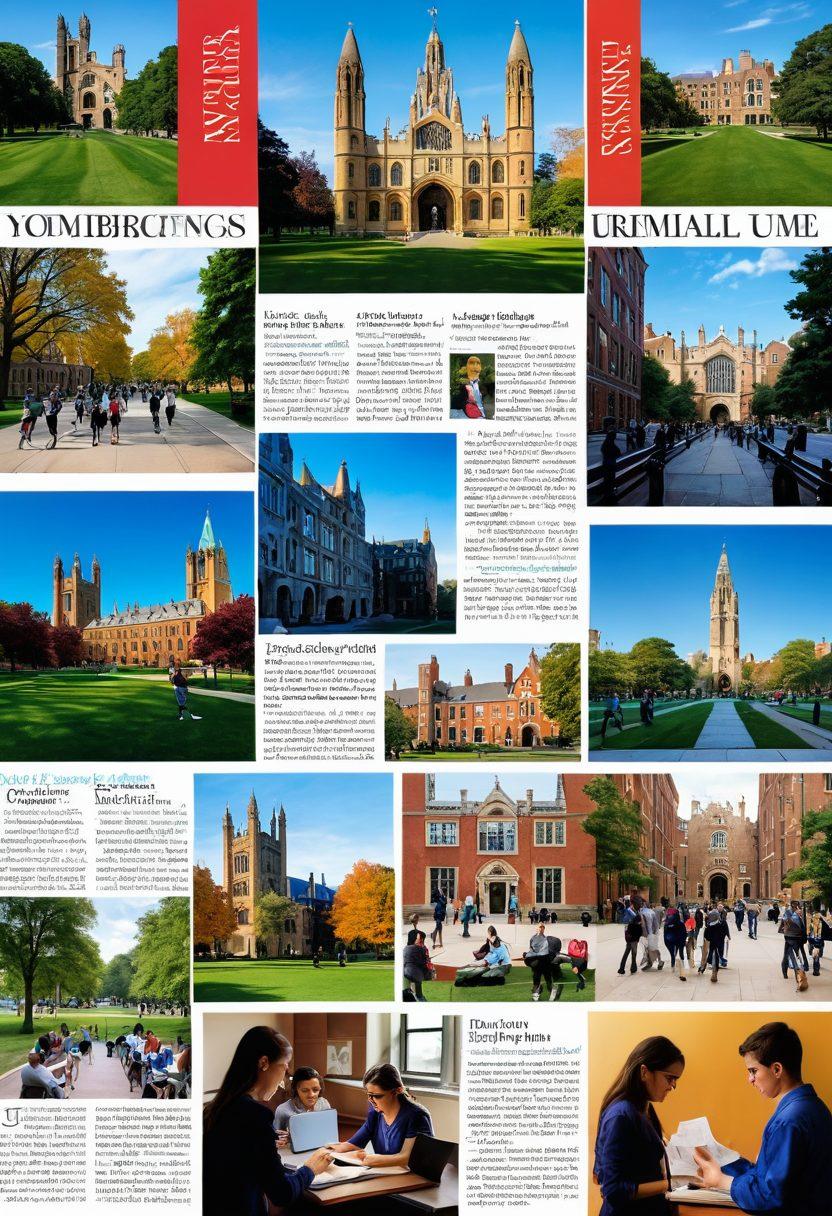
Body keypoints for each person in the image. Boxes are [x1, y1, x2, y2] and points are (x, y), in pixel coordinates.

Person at [693, 1022, 832, 1214]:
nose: (750, 1079)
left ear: (776, 1069)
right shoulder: (815, 1108)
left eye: (753, 1071)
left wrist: (720, 1180)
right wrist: (726, 1162)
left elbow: (770, 1197)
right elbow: (770, 1176)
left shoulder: (788, 1121)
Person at [203, 1027, 332, 1215]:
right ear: (264, 1063)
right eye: (284, 1066)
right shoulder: (255, 1115)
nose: (284, 1077)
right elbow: (282, 1193)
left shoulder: (214, 1109)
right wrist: (310, 1169)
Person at [593, 1036, 685, 1215]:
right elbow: (612, 1190)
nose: (673, 1086)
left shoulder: (645, 1108)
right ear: (644, 1072)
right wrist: (673, 1183)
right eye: (669, 1078)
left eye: (676, 1080)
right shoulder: (620, 1116)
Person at [328, 1063, 433, 1168]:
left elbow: (406, 1158)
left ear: (398, 1090)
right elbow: (353, 1144)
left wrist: (371, 1159)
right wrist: (327, 1151)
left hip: (415, 1177)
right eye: (369, 1095)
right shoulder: (375, 1114)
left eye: (377, 1096)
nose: (371, 1101)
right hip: (387, 1173)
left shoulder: (416, 1115)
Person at [274, 1066, 331, 1138]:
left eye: (315, 1090)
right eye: (305, 1090)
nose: (311, 1095)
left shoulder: (324, 1103)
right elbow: (275, 1138)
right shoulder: (283, 1110)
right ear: (296, 1090)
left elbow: (328, 1131)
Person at [780, 901, 809, 992]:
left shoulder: (793, 913)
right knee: (795, 958)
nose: (798, 907)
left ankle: (786, 973)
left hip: (792, 937)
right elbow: (787, 922)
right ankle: (799, 978)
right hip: (793, 937)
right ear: (794, 906)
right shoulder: (790, 913)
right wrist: (796, 915)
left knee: (787, 955)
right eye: (797, 905)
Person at [403, 928, 433, 1002]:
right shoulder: (419, 948)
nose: (420, 941)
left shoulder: (408, 948)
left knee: (414, 986)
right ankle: (418, 997)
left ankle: (418, 996)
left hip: (410, 972)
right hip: (414, 972)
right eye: (419, 939)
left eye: (421, 939)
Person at [662, 904, 688, 982]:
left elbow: (665, 934)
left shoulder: (667, 924)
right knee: (681, 954)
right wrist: (684, 940)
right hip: (679, 941)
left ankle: (673, 966)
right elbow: (684, 933)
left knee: (673, 954)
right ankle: (681, 968)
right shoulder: (680, 924)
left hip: (671, 941)